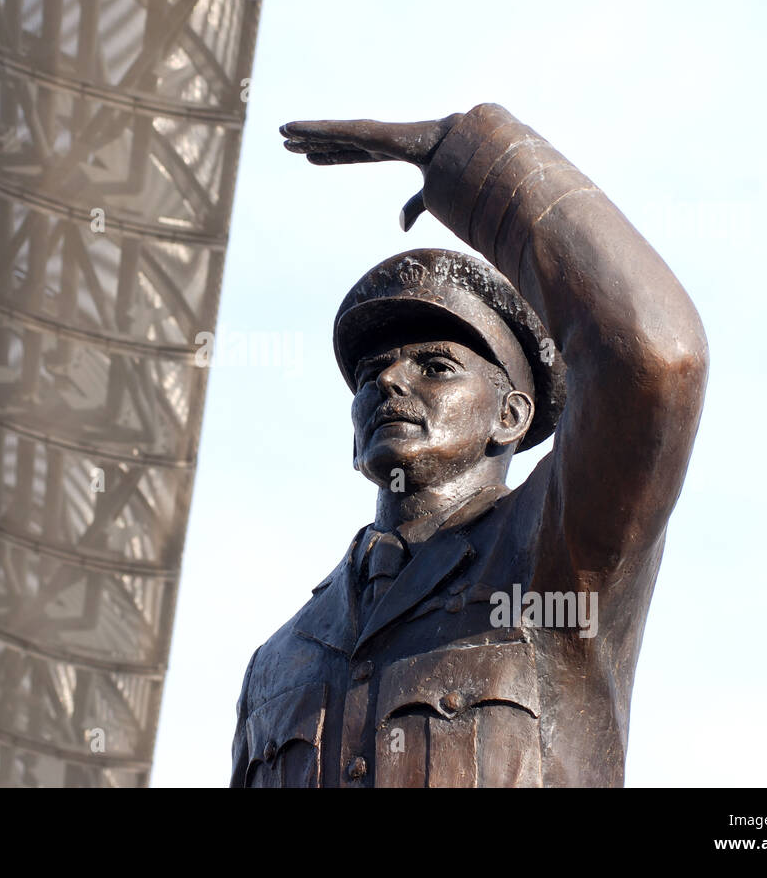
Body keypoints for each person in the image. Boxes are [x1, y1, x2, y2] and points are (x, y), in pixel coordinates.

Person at [230, 104, 708, 787]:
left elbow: (657, 354)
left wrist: (473, 166)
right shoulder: (279, 661)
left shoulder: (555, 556)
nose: (389, 382)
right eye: (371, 374)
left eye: (434, 365)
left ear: (511, 414)